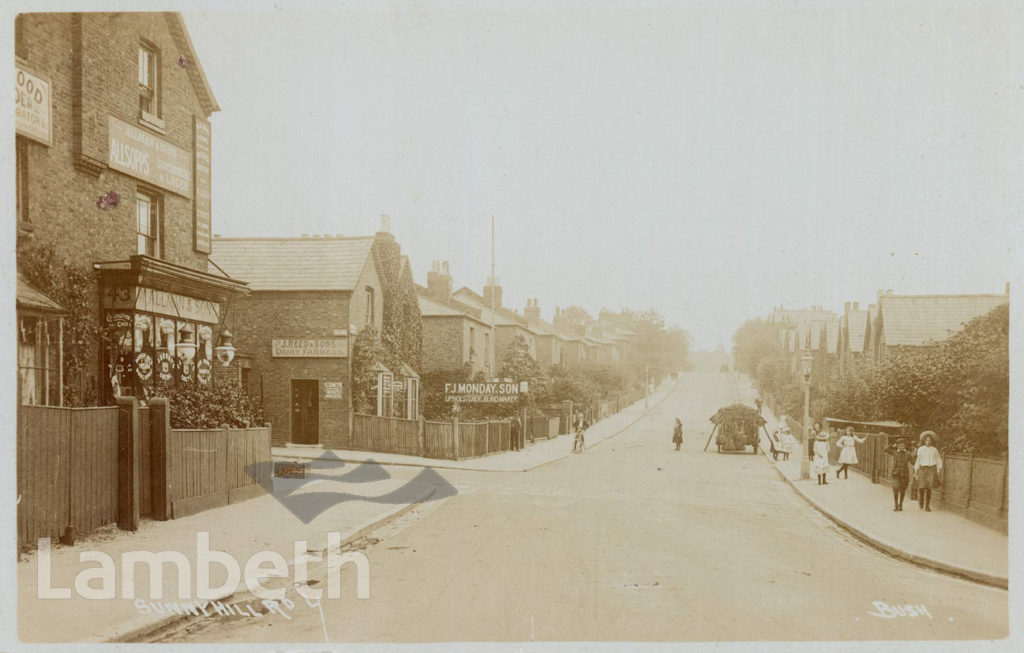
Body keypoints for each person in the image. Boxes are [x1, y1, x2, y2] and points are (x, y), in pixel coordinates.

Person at [914, 431, 943, 512]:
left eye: (930, 440)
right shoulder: (920, 449)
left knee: (929, 488)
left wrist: (938, 470)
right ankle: (921, 501)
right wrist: (916, 470)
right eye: (927, 440)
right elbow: (918, 460)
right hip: (922, 469)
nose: (928, 442)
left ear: (932, 441)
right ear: (924, 441)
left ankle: (927, 506)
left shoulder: (934, 450)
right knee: (922, 487)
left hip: (931, 469)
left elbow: (938, 460)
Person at [884, 437, 913, 511]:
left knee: (903, 490)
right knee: (895, 489)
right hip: (895, 474)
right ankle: (896, 504)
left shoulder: (908, 454)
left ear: (905, 446)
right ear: (897, 445)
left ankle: (900, 504)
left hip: (904, 475)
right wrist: (892, 445)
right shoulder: (894, 452)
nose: (901, 446)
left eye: (902, 445)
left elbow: (913, 462)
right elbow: (885, 449)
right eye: (899, 445)